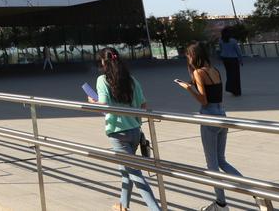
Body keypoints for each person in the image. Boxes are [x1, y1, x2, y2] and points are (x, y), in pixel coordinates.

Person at [88, 47, 161, 211]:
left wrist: (92, 102)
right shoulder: (131, 80)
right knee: (125, 170)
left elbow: (104, 105)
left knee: (134, 173)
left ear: (103, 62)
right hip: (135, 131)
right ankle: (123, 205)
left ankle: (156, 209)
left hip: (117, 132)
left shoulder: (102, 80)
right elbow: (143, 105)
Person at [177, 42, 244, 211]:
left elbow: (203, 100)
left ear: (193, 56)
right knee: (222, 160)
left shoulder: (199, 73)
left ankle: (221, 204)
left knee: (212, 164)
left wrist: (188, 88)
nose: (188, 59)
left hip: (209, 117)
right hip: (222, 114)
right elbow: (215, 97)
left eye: (188, 56)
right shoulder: (215, 70)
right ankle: (253, 190)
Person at [219, 27, 243, 96]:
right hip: (233, 59)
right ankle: (236, 91)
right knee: (236, 75)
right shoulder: (233, 41)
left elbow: (221, 50)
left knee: (229, 74)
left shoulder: (221, 40)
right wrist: (241, 60)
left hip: (225, 59)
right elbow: (238, 51)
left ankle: (230, 88)